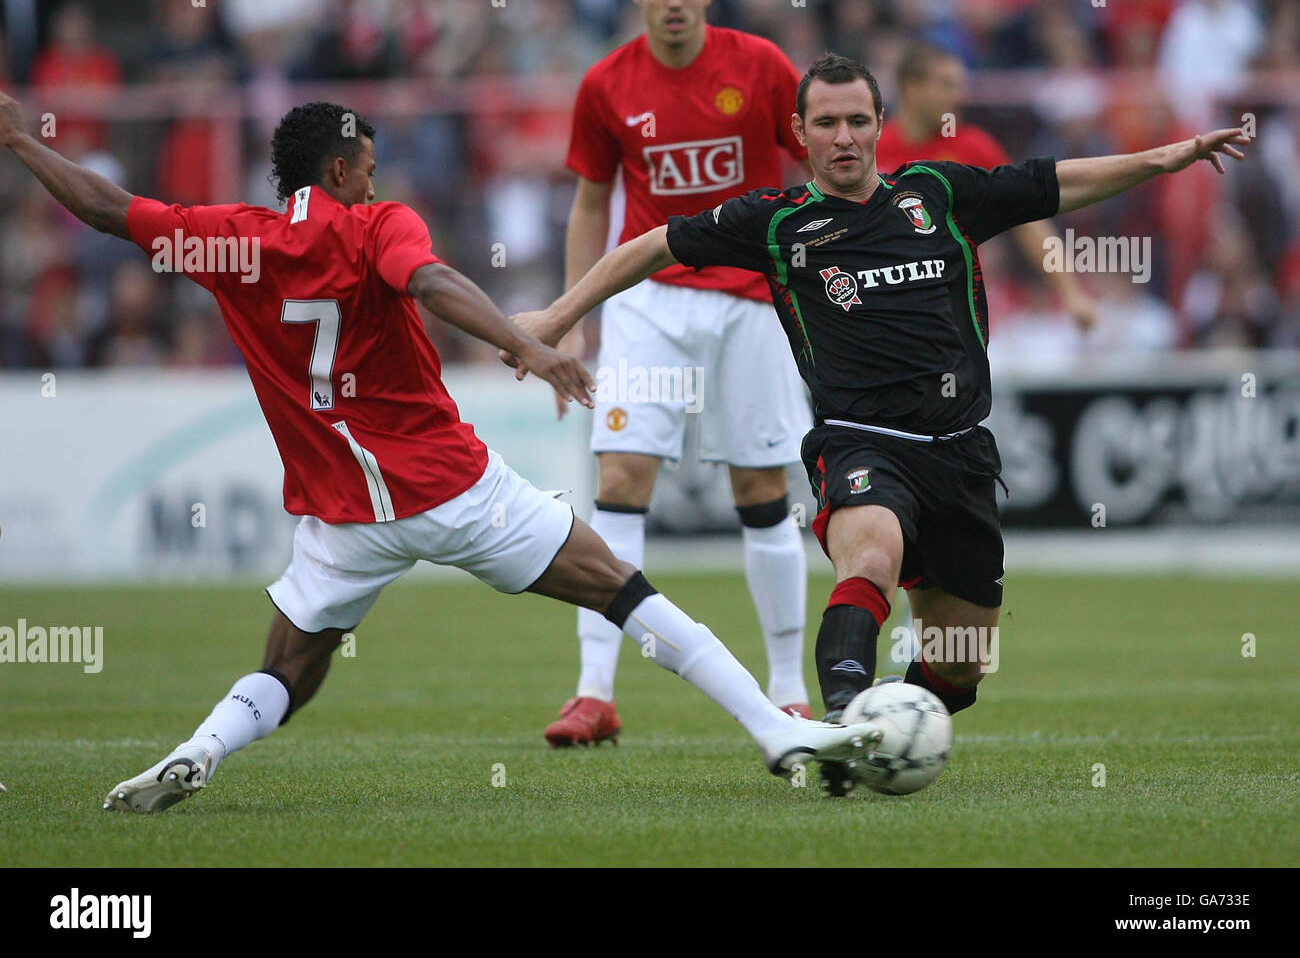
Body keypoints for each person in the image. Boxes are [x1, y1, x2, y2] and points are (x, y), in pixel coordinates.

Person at [0, 92, 880, 812]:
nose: (377, 180)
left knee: (288, 668)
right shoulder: (377, 223)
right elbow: (432, 280)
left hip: (343, 516)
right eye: (370, 168)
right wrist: (530, 344)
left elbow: (105, 209)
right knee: (622, 587)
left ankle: (200, 747)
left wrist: (18, 137)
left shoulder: (231, 237)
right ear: (341, 170)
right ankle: (777, 730)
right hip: (453, 488)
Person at [502, 53, 1249, 796]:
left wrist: (1165, 156)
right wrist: (560, 315)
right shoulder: (778, 224)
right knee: (871, 557)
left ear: (880, 125)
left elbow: (1055, 182)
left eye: (858, 120)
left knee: (961, 665)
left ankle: (896, 708)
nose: (844, 136)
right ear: (800, 132)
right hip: (860, 443)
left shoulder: (938, 192)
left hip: (960, 452)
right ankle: (840, 728)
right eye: (825, 123)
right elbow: (654, 243)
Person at [545, 0, 816, 747]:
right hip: (647, 301)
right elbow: (592, 203)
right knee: (621, 480)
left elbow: (813, 168)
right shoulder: (604, 86)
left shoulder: (762, 68)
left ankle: (786, 689)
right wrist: (571, 322)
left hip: (751, 301)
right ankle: (594, 691)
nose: (670, 2)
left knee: (763, 491)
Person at [877, 41, 1098, 331]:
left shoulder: (974, 147)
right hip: (883, 302)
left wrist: (1070, 291)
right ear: (911, 88)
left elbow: (1027, 218)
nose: (958, 97)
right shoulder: (873, 148)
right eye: (947, 85)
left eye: (959, 86)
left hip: (952, 309)